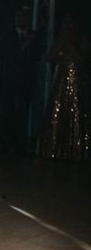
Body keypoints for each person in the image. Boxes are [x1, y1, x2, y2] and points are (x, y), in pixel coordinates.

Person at [36, 14, 90, 162]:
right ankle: (53, 147)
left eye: (71, 23)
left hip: (77, 82)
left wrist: (71, 43)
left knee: (76, 112)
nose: (68, 27)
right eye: (65, 23)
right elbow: (49, 58)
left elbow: (81, 60)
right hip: (59, 81)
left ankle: (76, 149)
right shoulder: (58, 41)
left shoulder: (83, 41)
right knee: (56, 112)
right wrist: (62, 42)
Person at [0, 7, 41, 153]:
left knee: (23, 112)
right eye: (17, 16)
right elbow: (2, 54)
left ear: (28, 18)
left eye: (22, 16)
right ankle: (5, 142)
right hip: (9, 78)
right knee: (7, 110)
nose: (19, 19)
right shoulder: (7, 34)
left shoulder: (34, 36)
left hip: (26, 79)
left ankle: (21, 143)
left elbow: (37, 56)